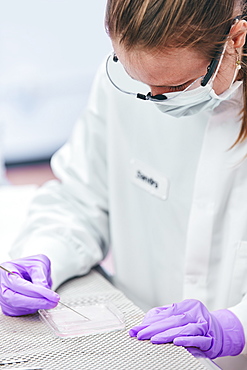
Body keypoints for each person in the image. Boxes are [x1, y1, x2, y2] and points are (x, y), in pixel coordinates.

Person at [0, 0, 247, 360]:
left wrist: (235, 325)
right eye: (140, 80)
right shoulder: (123, 81)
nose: (155, 99)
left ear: (235, 39)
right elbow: (81, 198)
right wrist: (41, 254)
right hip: (144, 350)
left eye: (177, 85)